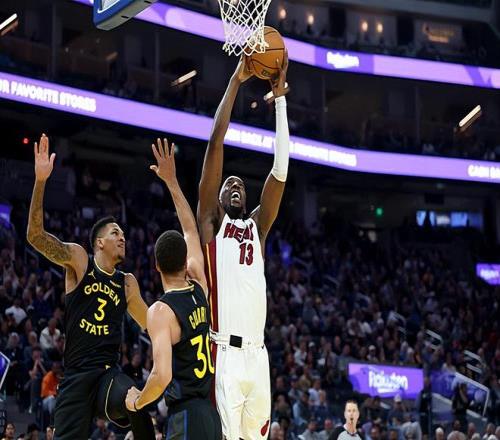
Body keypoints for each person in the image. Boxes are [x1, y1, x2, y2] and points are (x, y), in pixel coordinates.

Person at [26, 134, 154, 440]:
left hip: (107, 376)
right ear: (99, 242)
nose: (122, 237)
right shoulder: (80, 260)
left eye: (123, 233)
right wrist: (40, 181)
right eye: (115, 232)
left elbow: (152, 325)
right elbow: (35, 236)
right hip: (75, 378)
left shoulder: (127, 283)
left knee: (137, 400)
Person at [197, 53, 290, 439]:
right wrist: (236, 81)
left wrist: (280, 102)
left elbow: (280, 172)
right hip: (225, 354)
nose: (234, 184)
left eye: (240, 184)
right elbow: (215, 143)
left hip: (258, 356)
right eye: (228, 184)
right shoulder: (212, 223)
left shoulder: (257, 227)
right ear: (217, 199)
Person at [125, 139, 222, 439]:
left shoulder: (160, 311)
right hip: (211, 415)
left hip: (186, 416)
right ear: (185, 262)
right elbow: (190, 229)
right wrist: (172, 181)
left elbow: (162, 375)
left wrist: (137, 401)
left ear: (156, 266)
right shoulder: (200, 285)